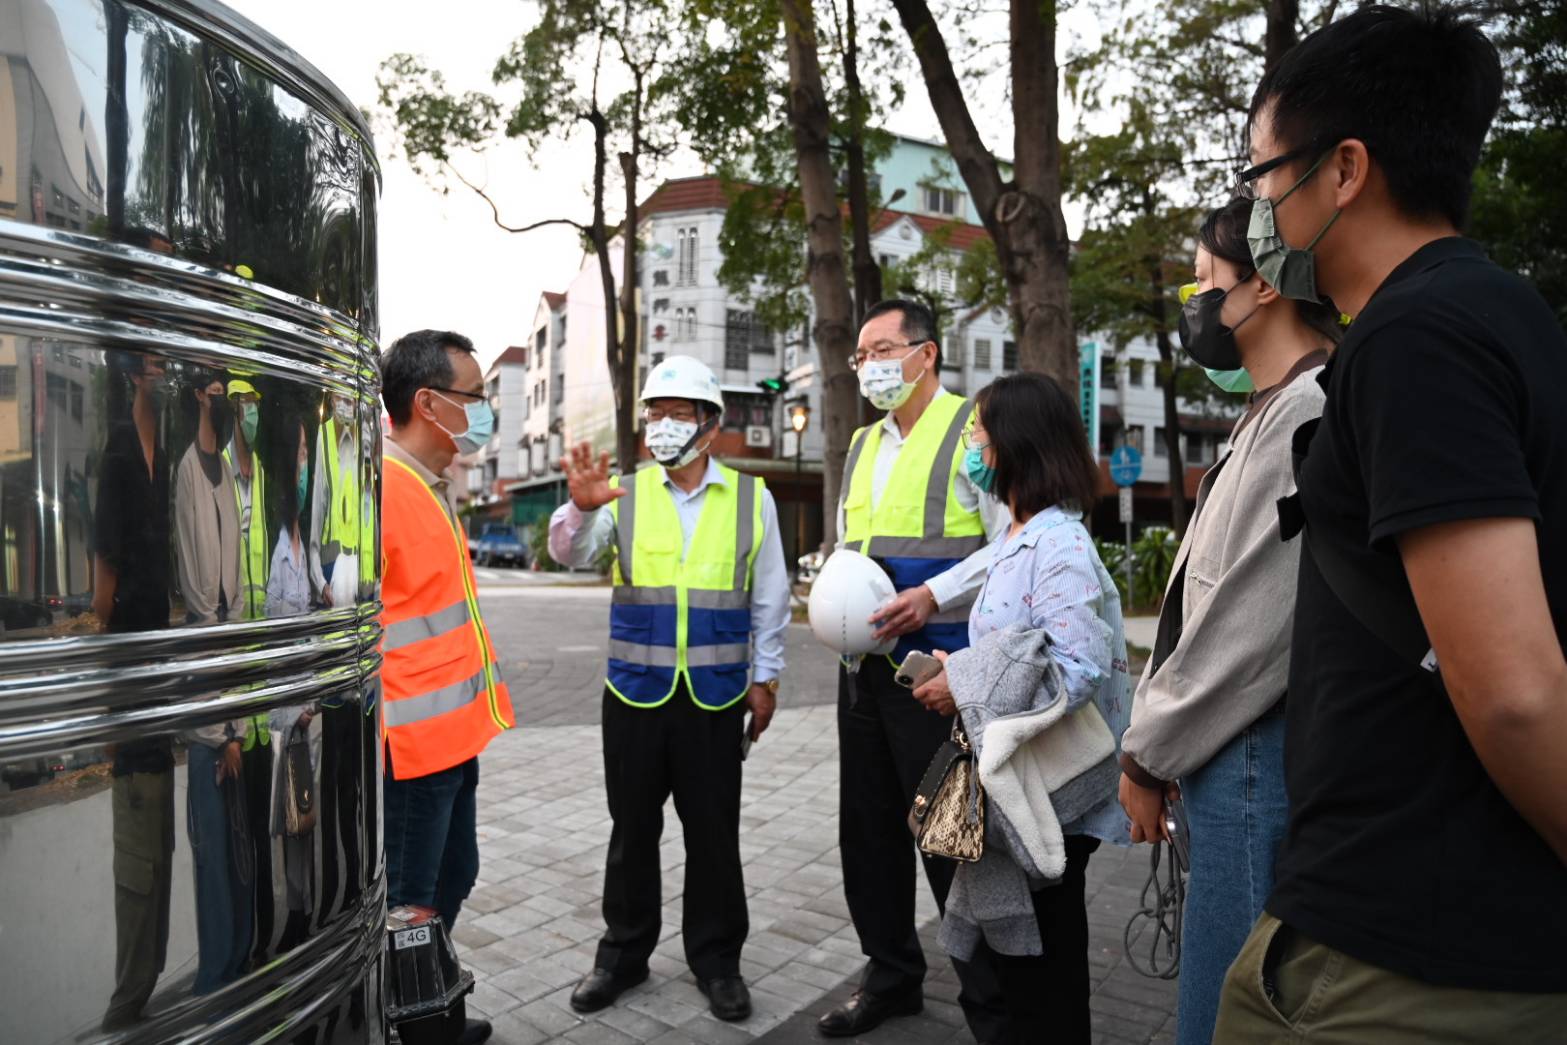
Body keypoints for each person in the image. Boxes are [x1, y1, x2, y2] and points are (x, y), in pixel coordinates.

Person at [1213, 7, 1567, 1040]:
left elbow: (1511, 689)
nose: (1259, 205)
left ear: (1344, 169)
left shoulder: (1419, 336)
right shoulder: (1498, 313)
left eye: (1264, 173)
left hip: (1400, 961)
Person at [1115, 197, 1340, 1045]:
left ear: (1267, 285)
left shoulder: (1308, 410)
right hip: (1224, 752)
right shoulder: (1268, 408)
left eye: (1205, 280)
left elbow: (1249, 627)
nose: (1194, 303)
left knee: (1228, 1014)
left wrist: (1146, 750)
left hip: (1249, 754)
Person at [550, 355, 790, 1023]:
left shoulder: (751, 498)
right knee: (632, 829)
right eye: (654, 412)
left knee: (713, 833)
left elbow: (769, 597)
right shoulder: (621, 491)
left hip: (714, 695)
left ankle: (717, 962)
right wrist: (578, 504)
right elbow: (570, 554)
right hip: (633, 691)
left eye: (677, 413)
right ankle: (621, 956)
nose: (661, 425)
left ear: (710, 425)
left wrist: (765, 678)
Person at [911, 372, 1130, 1044]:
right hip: (1022, 790)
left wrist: (964, 682)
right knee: (1025, 967)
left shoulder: (1058, 542)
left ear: (1013, 442)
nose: (970, 446)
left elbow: (1078, 667)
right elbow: (1016, 653)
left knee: (1045, 974)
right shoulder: (1018, 534)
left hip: (1051, 800)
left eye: (977, 432)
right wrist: (960, 669)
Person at [819, 299, 1010, 1041]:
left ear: (925, 353)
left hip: (938, 680)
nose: (868, 364)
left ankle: (989, 1002)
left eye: (882, 348)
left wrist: (932, 593)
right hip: (862, 673)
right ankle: (890, 975)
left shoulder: (974, 429)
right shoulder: (862, 443)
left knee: (948, 836)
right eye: (860, 353)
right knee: (867, 833)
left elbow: (1010, 542)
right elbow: (849, 546)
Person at [380, 329, 516, 1045]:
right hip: (408, 748)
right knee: (409, 906)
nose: (485, 409)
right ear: (428, 402)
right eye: (475, 395)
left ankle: (428, 1005)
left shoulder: (427, 486)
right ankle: (409, 1026)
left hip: (449, 739)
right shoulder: (382, 487)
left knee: (451, 878)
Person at [95, 351, 176, 1031]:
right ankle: (125, 1006)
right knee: (136, 852)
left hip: (162, 676)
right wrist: (111, 702)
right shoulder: (118, 451)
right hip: (129, 681)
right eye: (148, 360)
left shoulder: (167, 448)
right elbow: (102, 591)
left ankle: (144, 991)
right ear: (130, 371)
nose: (159, 369)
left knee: (161, 850)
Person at [173, 367, 253, 995]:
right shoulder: (188, 473)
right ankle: (216, 978)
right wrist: (224, 726)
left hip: (231, 712)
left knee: (234, 852)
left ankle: (232, 967)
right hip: (209, 720)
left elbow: (236, 600)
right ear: (198, 397)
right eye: (216, 393)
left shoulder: (225, 472)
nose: (224, 404)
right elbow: (209, 601)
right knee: (213, 857)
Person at [310, 390, 361, 609]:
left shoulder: (366, 435)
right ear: (331, 398)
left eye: (350, 398)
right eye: (340, 397)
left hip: (361, 565)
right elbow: (317, 507)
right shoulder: (325, 435)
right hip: (330, 564)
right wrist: (320, 581)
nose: (345, 403)